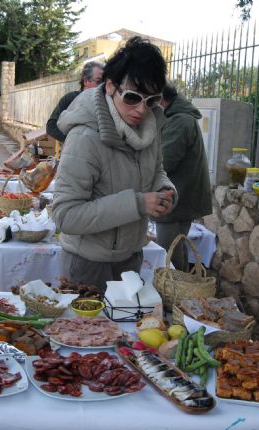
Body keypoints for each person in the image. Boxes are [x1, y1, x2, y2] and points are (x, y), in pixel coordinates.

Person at [52, 37, 177, 293]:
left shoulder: (149, 128)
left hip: (131, 257)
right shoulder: (84, 138)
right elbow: (65, 215)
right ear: (110, 86)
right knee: (89, 333)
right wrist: (139, 203)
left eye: (151, 100)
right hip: (88, 264)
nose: (141, 110)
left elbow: (157, 171)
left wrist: (165, 190)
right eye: (132, 97)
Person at [152, 82, 212, 272]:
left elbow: (164, 161)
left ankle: (175, 295)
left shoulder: (179, 120)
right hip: (178, 194)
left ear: (160, 99)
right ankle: (183, 293)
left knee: (167, 255)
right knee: (176, 249)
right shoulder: (176, 117)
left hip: (177, 197)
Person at [45, 61, 104, 143]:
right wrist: (71, 141)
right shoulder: (70, 98)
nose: (102, 86)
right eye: (99, 81)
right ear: (86, 81)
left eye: (104, 83)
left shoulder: (106, 102)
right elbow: (51, 126)